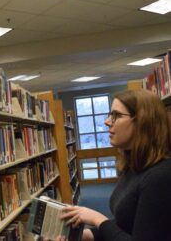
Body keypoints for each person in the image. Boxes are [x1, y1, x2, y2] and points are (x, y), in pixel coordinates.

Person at [58, 89, 171, 241]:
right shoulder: (133, 167)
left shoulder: (160, 177)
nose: (107, 121)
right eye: (110, 114)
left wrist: (98, 220)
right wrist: (84, 236)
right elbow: (125, 224)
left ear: (142, 121)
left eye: (116, 115)